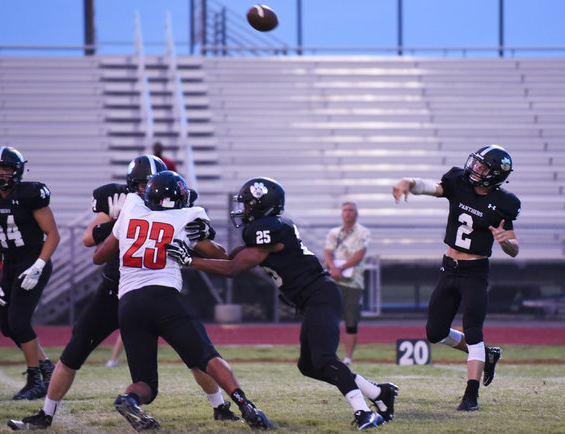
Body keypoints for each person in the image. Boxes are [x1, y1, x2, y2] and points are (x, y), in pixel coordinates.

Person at [7, 157, 239, 430]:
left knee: (194, 354)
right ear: (131, 185)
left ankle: (219, 406)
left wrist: (205, 232)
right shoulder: (118, 199)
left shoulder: (176, 196)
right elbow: (88, 239)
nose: (146, 189)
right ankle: (45, 414)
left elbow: (198, 238)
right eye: (141, 184)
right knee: (75, 349)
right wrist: (118, 220)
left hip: (155, 287)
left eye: (150, 183)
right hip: (114, 288)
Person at [166, 177, 398, 431]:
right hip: (312, 298)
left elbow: (233, 268)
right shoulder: (267, 229)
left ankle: (364, 412)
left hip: (320, 294)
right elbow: (229, 256)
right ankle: (379, 393)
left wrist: (189, 261)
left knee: (323, 358)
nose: (243, 209)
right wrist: (200, 246)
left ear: (261, 205)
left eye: (247, 204)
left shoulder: (268, 228)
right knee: (308, 365)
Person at [93, 170, 272, 431]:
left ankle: (130, 400)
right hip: (163, 297)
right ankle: (246, 406)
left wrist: (115, 222)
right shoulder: (189, 215)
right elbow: (222, 256)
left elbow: (100, 255)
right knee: (207, 356)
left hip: (128, 303)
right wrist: (204, 234)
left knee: (146, 385)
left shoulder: (131, 206)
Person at [392, 144, 519, 412]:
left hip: (475, 273)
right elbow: (432, 187)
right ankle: (487, 355)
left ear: (494, 175)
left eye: (483, 167)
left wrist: (504, 242)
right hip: (448, 268)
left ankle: (471, 396)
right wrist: (409, 182)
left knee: (474, 331)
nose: (475, 168)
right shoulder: (458, 183)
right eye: (477, 163)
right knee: (434, 332)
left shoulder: (504, 203)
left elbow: (513, 248)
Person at [0, 146, 60, 400]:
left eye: (6, 168)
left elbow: (53, 235)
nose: (1, 173)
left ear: (17, 171)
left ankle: (36, 380)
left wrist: (39, 265)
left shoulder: (30, 194)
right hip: (9, 265)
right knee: (7, 327)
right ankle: (47, 367)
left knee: (20, 322)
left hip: (32, 263)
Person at [323, 202, 370, 365]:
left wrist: (340, 268)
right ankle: (329, 354)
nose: (348, 213)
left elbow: (359, 254)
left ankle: (348, 357)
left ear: (356, 213)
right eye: (345, 210)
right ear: (341, 213)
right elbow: (327, 252)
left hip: (353, 282)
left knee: (351, 321)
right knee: (329, 318)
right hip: (334, 280)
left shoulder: (362, 232)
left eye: (351, 210)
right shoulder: (334, 233)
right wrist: (333, 267)